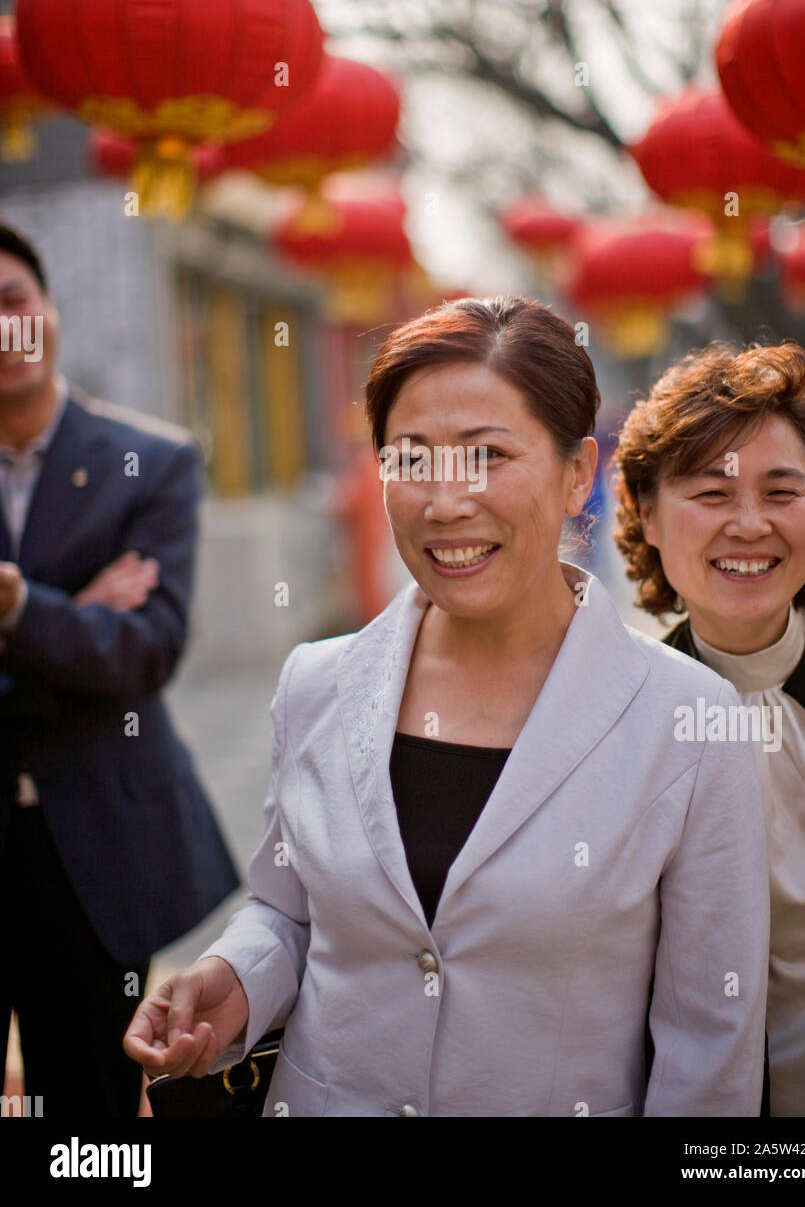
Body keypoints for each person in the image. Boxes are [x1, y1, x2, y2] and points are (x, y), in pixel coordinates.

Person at [125, 295, 769, 1117]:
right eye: (412, 459)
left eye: (488, 455)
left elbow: (709, 1046)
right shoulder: (318, 684)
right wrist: (236, 978)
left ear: (579, 473)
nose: (446, 501)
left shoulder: (689, 721)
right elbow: (288, 909)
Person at [0, 220, 240, 1116]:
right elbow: (97, 650)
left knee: (95, 1101)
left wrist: (19, 606)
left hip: (94, 844)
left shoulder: (152, 462)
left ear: (51, 309)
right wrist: (73, 615)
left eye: (14, 301)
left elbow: (145, 655)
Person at [611, 339, 805, 1118]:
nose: (749, 524)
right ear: (647, 514)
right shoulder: (619, 717)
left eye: (782, 491)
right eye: (711, 495)